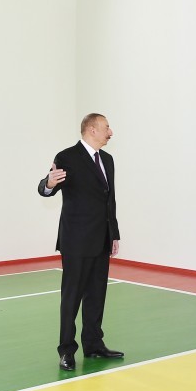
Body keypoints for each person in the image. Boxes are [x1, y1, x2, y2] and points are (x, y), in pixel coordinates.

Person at [38, 113, 124, 372]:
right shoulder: (67, 157)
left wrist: (114, 233)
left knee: (97, 295)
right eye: (106, 127)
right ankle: (66, 350)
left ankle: (94, 345)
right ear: (92, 129)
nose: (111, 132)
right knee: (72, 296)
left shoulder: (107, 160)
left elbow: (110, 200)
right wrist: (48, 183)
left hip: (101, 238)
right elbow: (46, 187)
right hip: (76, 241)